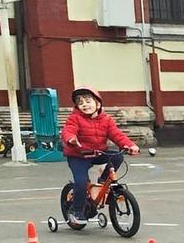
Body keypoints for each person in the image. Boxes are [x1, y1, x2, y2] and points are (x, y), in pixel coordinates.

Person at [59, 87, 140, 222]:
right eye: (80, 102)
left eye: (88, 101)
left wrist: (129, 145)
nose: (84, 104)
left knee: (118, 156)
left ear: (98, 103)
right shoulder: (75, 118)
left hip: (98, 152)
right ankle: (77, 210)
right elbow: (68, 131)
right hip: (79, 156)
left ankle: (103, 181)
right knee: (81, 182)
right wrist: (71, 139)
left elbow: (117, 135)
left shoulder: (106, 120)